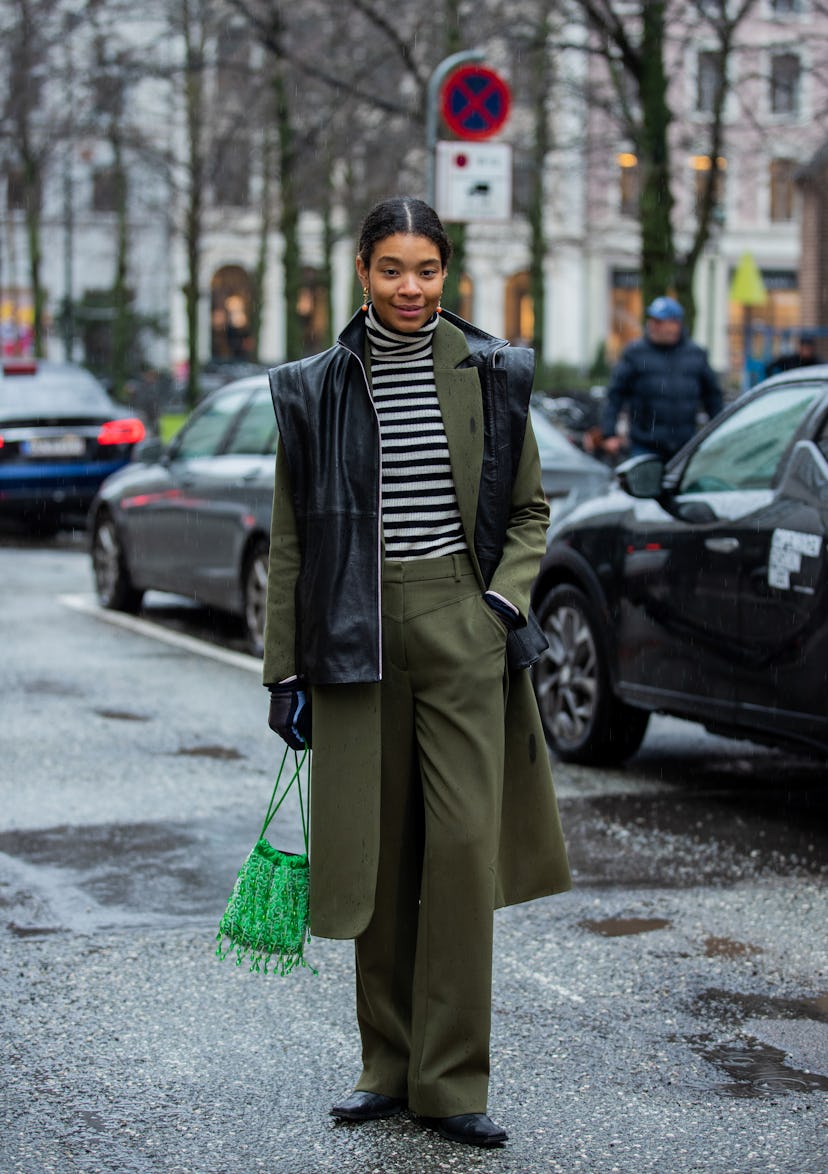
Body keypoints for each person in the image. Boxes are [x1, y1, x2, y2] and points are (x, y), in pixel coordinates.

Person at [262, 196, 571, 1149]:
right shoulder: (315, 387)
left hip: (462, 622)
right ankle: (385, 1067)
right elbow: (290, 538)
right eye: (391, 269)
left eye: (427, 270)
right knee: (378, 856)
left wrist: (502, 605)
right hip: (355, 630)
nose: (410, 288)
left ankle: (454, 1080)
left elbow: (528, 511)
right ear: (360, 270)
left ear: (448, 274)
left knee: (464, 848)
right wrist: (285, 668)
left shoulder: (492, 371)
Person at [598, 295, 723, 461]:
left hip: (685, 445)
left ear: (676, 324)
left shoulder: (696, 355)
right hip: (645, 444)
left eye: (659, 321)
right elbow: (615, 396)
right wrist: (609, 434)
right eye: (652, 320)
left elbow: (713, 397)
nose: (653, 326)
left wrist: (721, 432)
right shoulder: (635, 353)